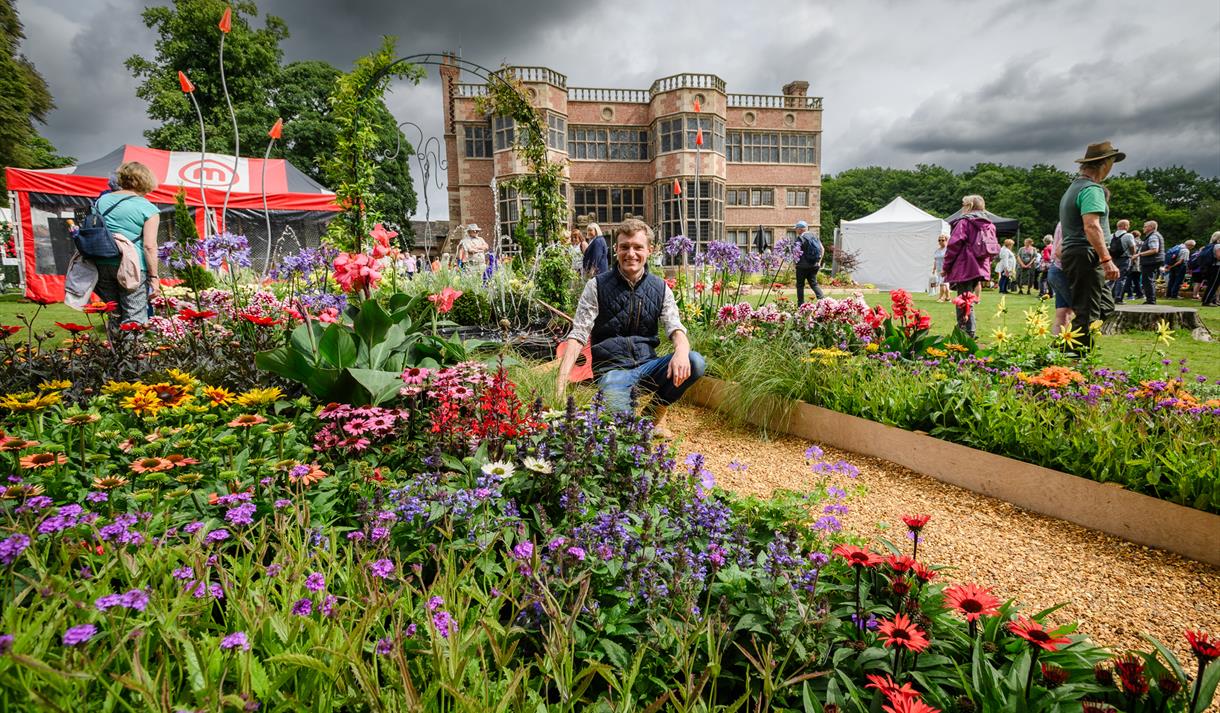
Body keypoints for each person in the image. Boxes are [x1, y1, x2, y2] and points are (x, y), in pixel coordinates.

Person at [557, 218, 704, 439]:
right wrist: (561, 381)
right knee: (625, 431)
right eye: (624, 247)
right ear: (616, 249)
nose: (631, 254)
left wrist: (681, 351)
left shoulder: (660, 288)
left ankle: (655, 412)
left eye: (638, 247)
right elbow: (578, 335)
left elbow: (676, 329)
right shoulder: (596, 286)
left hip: (648, 367)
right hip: (612, 373)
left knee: (695, 362)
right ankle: (632, 425)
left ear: (650, 250)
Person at [1058, 141, 1122, 352]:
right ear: (1104, 164)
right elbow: (1092, 226)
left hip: (1078, 254)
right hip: (1086, 254)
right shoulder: (1091, 189)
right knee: (1088, 314)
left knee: (1104, 306)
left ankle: (1061, 350)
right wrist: (1106, 259)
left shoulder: (1073, 189)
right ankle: (1070, 363)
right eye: (1112, 162)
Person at [92, 161, 161, 327]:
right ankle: (132, 353)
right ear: (146, 181)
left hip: (102, 262)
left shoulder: (101, 202)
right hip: (133, 266)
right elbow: (149, 246)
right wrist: (154, 277)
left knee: (114, 314)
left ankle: (116, 352)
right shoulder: (148, 208)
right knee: (134, 317)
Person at [942, 195, 996, 337]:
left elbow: (953, 246)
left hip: (965, 266)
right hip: (979, 267)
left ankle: (966, 332)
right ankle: (967, 331)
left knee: (963, 300)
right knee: (968, 299)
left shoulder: (964, 222)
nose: (962, 207)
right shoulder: (989, 225)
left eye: (963, 204)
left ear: (969, 206)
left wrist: (946, 267)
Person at [1047, 223, 1074, 335]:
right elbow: (1060, 252)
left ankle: (1056, 350)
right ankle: (1074, 348)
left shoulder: (1062, 221)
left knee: (1063, 313)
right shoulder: (1073, 222)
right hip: (1064, 272)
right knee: (1082, 312)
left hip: (1056, 270)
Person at [793, 220, 824, 305]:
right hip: (814, 265)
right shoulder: (814, 236)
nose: (796, 230)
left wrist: (794, 263)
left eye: (796, 229)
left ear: (800, 229)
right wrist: (819, 262)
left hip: (802, 266)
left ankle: (800, 304)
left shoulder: (800, 238)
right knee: (814, 284)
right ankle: (823, 301)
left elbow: (796, 252)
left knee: (800, 285)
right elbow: (822, 249)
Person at [1137, 220, 1165, 304]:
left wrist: (1139, 254)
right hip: (1154, 260)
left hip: (1151, 261)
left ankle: (1151, 300)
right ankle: (1150, 299)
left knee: (1148, 280)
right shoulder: (1153, 235)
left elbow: (1154, 250)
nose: (1143, 228)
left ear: (1151, 227)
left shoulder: (1153, 236)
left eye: (1145, 226)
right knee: (1149, 280)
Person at [1107, 220, 1135, 303]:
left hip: (1113, 259)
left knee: (1112, 278)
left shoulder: (1111, 236)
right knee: (1121, 278)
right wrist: (1133, 255)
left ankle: (1107, 296)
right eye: (1128, 225)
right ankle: (1118, 298)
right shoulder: (1128, 235)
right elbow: (1132, 246)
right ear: (1125, 226)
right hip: (1125, 258)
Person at [1199, 232, 1220, 307]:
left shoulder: (1210, 245)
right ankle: (1207, 301)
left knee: (1212, 284)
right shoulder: (1218, 245)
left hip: (1212, 267)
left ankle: (1212, 300)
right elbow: (1219, 257)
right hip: (1217, 267)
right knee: (1213, 285)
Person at [1124, 229, 1144, 301]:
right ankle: (1140, 294)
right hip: (1140, 264)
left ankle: (1130, 295)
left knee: (1128, 279)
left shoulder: (1132, 242)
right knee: (1137, 280)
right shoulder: (1142, 243)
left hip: (1132, 262)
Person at [932, 233, 950, 302]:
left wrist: (946, 269)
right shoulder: (937, 250)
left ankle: (941, 297)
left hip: (945, 269)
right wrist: (934, 268)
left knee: (942, 283)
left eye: (942, 240)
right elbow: (935, 260)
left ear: (946, 240)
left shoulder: (948, 250)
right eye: (939, 240)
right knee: (945, 283)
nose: (940, 242)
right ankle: (948, 298)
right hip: (939, 269)